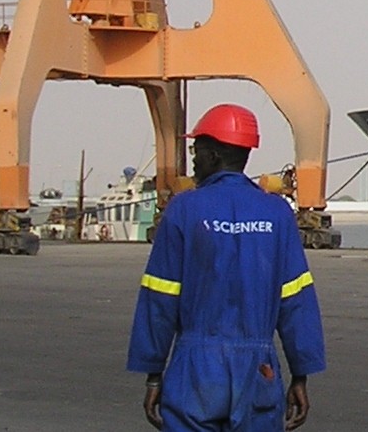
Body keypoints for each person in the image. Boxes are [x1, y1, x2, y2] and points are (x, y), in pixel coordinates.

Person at [128, 104, 326, 431]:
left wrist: (153, 374)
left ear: (214, 156)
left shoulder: (184, 209)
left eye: (197, 151)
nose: (193, 160)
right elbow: (296, 300)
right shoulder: (277, 214)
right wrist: (300, 374)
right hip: (259, 371)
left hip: (195, 370)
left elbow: (160, 296)